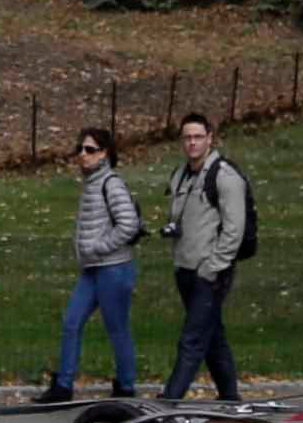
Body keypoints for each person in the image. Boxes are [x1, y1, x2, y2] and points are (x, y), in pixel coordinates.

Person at [35, 126, 143, 406]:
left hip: (114, 268)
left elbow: (128, 223)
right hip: (93, 269)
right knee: (71, 322)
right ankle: (63, 386)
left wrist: (99, 247)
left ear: (105, 154)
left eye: (90, 150)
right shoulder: (92, 183)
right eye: (80, 149)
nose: (83, 155)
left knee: (116, 327)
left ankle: (126, 387)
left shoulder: (111, 183)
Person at [158, 109, 251, 405]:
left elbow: (235, 229)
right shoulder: (182, 174)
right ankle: (230, 398)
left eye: (198, 137)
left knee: (193, 338)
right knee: (213, 337)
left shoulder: (224, 176)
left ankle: (169, 401)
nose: (192, 143)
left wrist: (213, 266)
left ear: (210, 139)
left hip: (210, 271)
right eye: (187, 138)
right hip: (185, 267)